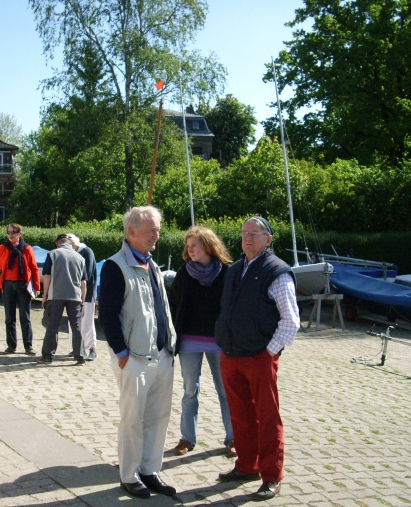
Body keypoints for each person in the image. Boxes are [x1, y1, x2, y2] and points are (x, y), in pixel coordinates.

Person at [214, 216, 300, 502]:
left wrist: (269, 352)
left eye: (255, 233)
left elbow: (291, 320)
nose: (248, 238)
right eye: (244, 233)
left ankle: (272, 476)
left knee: (267, 417)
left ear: (269, 239)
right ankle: (247, 465)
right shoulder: (235, 269)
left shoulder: (277, 271)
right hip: (231, 354)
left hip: (259, 357)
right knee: (240, 415)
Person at [99, 206, 177, 499]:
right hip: (134, 358)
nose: (156, 235)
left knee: (158, 416)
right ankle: (129, 475)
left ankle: (150, 470)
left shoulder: (151, 264)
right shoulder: (114, 266)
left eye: (158, 230)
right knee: (132, 419)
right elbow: (107, 315)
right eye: (151, 230)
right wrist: (121, 353)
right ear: (131, 232)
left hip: (162, 355)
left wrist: (171, 347)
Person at [168, 226, 236, 458]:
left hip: (220, 342)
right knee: (190, 391)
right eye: (188, 246)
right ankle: (187, 438)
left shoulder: (227, 272)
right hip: (189, 341)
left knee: (226, 391)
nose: (190, 250)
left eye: (194, 245)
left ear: (208, 245)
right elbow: (173, 304)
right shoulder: (184, 272)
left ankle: (233, 438)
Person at [0, 224, 41, 355]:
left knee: (25, 317)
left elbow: (34, 268)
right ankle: (11, 345)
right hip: (8, 285)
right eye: (8, 232)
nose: (11, 235)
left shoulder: (27, 248)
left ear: (20, 233)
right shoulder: (3, 247)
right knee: (9, 318)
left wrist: (37, 286)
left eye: (14, 232)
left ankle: (28, 346)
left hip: (23, 285)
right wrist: (2, 267)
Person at [37, 234, 87, 365]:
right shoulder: (80, 257)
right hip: (75, 296)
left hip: (56, 295)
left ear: (58, 243)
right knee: (76, 327)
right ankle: (80, 356)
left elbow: (47, 276)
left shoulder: (52, 254)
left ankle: (48, 356)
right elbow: (83, 282)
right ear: (70, 244)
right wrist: (82, 299)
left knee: (52, 326)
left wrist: (45, 295)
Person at [65, 234, 98, 361]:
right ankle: (77, 347)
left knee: (87, 322)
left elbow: (87, 274)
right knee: (73, 321)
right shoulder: (72, 253)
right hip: (73, 293)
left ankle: (92, 348)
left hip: (87, 293)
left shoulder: (87, 252)